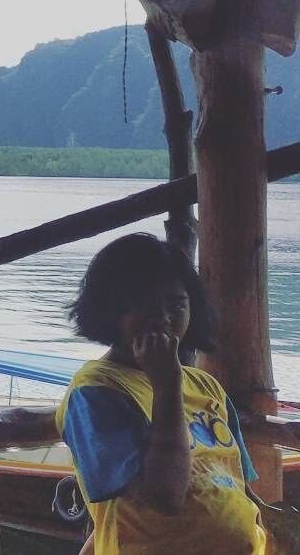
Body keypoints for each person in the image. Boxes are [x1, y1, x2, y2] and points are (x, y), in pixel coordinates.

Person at [56, 232, 265, 555]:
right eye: (146, 306)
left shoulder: (206, 386)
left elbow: (237, 485)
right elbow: (164, 496)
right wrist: (167, 385)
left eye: (176, 305)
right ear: (112, 310)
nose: (164, 319)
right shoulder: (95, 392)